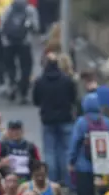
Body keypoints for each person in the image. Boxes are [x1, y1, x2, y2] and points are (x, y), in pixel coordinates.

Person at [32, 53, 76, 187]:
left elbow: (36, 100)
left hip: (48, 120)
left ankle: (53, 181)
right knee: (66, 150)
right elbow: (73, 97)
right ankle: (68, 180)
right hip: (65, 118)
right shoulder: (67, 80)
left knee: (50, 151)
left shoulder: (40, 81)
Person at [68, 93, 109, 195]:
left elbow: (75, 142)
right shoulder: (106, 122)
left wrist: (71, 161)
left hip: (84, 167)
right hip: (103, 167)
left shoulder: (81, 122)